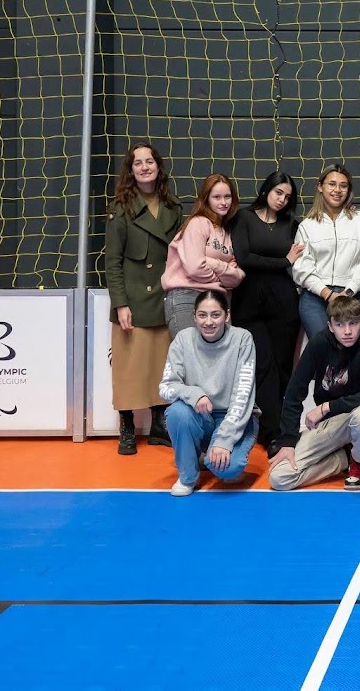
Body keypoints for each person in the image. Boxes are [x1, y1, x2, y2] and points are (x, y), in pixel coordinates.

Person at [104, 142, 182, 455]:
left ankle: (159, 424)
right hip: (134, 299)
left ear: (158, 167)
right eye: (138, 163)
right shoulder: (120, 207)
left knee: (161, 365)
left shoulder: (173, 207)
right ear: (131, 170)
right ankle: (127, 427)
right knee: (129, 367)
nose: (145, 167)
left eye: (150, 161)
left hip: (164, 296)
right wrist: (120, 303)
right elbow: (113, 262)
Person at [268, 294, 360, 491]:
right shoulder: (319, 343)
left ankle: (359, 465)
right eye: (340, 325)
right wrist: (288, 441)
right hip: (333, 423)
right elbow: (293, 393)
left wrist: (326, 407)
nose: (347, 331)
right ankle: (345, 459)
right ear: (330, 326)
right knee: (280, 478)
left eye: (353, 323)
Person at [230, 171, 304, 455]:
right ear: (266, 190)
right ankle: (271, 432)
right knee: (262, 366)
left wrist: (284, 263)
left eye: (287, 196)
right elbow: (245, 258)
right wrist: (283, 260)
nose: (282, 199)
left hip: (284, 303)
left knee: (284, 366)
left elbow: (296, 263)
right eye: (278, 193)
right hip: (248, 303)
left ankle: (282, 428)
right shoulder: (244, 218)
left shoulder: (291, 224)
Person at [159, 291, 259, 497]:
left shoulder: (242, 339)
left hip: (234, 417)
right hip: (201, 416)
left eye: (215, 315)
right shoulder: (183, 339)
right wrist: (194, 394)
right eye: (202, 315)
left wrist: (224, 440)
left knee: (228, 471)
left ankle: (210, 457)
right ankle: (188, 476)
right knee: (178, 412)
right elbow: (166, 388)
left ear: (227, 315)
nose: (209, 322)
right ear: (194, 316)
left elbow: (243, 396)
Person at [292, 164, 360, 341]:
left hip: (353, 295)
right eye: (332, 184)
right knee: (324, 348)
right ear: (320, 187)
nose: (337, 190)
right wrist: (328, 293)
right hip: (315, 298)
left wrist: (348, 291)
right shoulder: (307, 226)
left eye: (343, 185)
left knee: (359, 348)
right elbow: (302, 267)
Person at [161, 173, 244, 341]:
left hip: (216, 301)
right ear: (206, 199)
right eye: (217, 197)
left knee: (214, 363)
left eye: (227, 196)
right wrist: (221, 274)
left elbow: (236, 278)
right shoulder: (198, 223)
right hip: (186, 297)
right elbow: (194, 267)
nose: (223, 202)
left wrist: (212, 263)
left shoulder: (228, 231)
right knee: (189, 357)